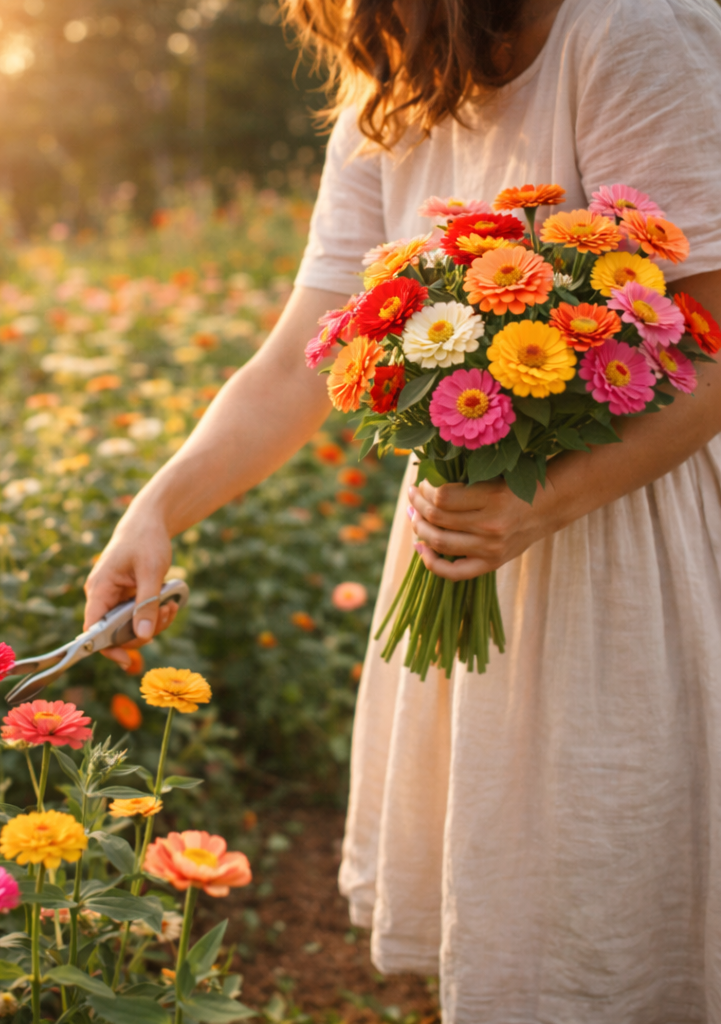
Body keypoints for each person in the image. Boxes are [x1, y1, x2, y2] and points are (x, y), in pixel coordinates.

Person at [83, 0, 721, 1018]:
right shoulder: (389, 102)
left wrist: (539, 507)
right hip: (472, 530)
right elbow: (302, 359)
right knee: (520, 904)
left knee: (620, 898)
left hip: (621, 535)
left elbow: (707, 344)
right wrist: (156, 507)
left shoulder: (628, 33)